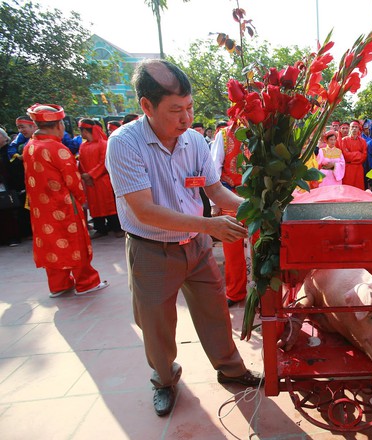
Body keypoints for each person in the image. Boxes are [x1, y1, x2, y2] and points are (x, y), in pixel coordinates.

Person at [105, 59, 262, 417]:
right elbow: (144, 210)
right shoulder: (124, 144)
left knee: (216, 312)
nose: (187, 118)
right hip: (151, 249)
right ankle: (164, 380)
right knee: (157, 324)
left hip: (197, 246)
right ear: (146, 106)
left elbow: (217, 192)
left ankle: (232, 370)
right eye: (176, 110)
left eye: (190, 107)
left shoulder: (193, 141)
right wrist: (210, 225)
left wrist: (256, 210)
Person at [22, 104, 109, 298]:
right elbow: (73, 181)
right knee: (75, 242)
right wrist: (81, 199)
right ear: (59, 124)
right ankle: (86, 282)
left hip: (41, 209)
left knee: (51, 244)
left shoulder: (30, 147)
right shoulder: (57, 148)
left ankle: (59, 284)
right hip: (64, 205)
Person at [210, 119, 250, 306]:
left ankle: (262, 293)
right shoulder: (224, 135)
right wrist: (214, 202)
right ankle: (235, 292)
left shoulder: (264, 132)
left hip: (259, 198)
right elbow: (214, 168)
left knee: (262, 246)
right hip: (230, 196)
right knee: (232, 247)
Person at [77, 119, 123, 239]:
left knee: (109, 204)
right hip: (90, 182)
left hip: (102, 179)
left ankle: (116, 227)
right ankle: (100, 228)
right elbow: (81, 162)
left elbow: (104, 163)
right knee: (94, 205)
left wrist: (91, 175)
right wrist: (84, 175)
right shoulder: (83, 146)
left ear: (86, 131)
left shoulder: (103, 144)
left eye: (81, 131)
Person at [339, 120, 367, 189]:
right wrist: (358, 153)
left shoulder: (363, 141)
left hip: (359, 169)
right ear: (350, 128)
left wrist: (351, 155)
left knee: (359, 189)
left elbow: (364, 156)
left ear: (358, 129)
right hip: (348, 169)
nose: (354, 129)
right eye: (352, 127)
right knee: (348, 189)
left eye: (356, 127)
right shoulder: (344, 140)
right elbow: (345, 156)